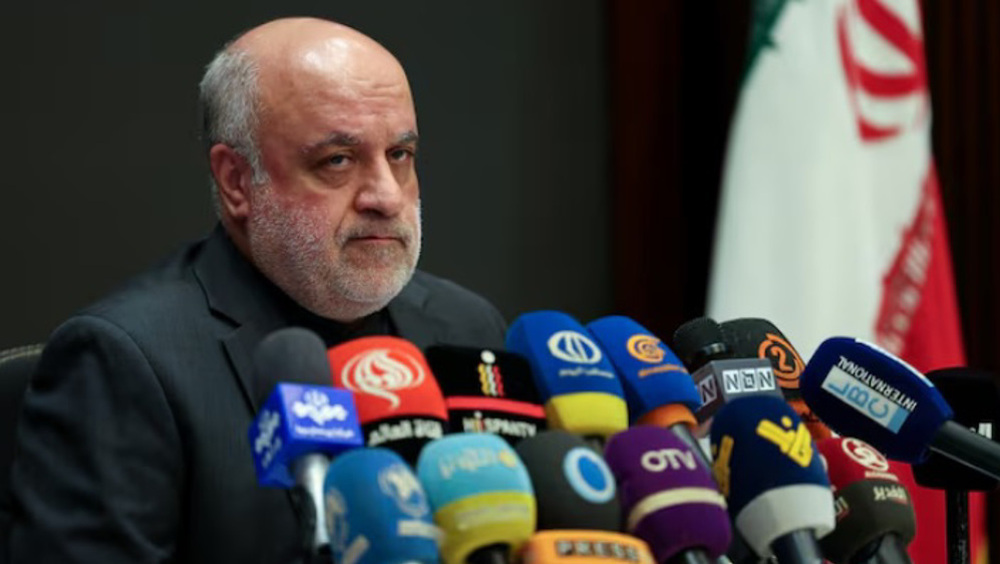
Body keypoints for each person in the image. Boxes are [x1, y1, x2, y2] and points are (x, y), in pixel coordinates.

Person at [6, 17, 506, 564]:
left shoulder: (467, 328)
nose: (386, 196)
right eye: (338, 160)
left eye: (400, 156)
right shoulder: (125, 363)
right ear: (237, 182)